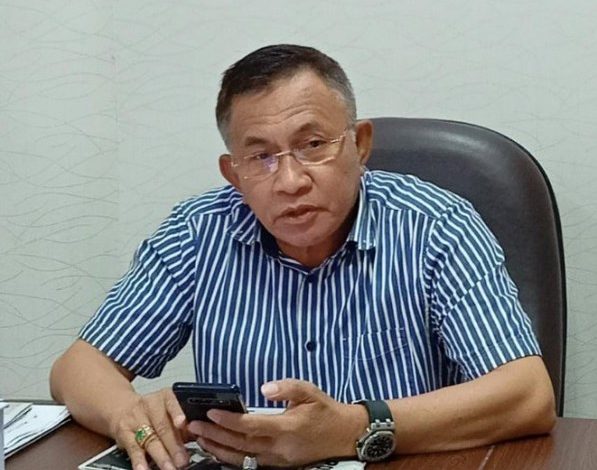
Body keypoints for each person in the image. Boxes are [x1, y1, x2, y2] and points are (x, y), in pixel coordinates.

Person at [50, 44, 556, 470]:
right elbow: (77, 369)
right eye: (261, 157)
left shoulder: (436, 225)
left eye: (312, 145)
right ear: (234, 173)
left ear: (360, 145)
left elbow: (528, 396)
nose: (290, 181)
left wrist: (353, 428)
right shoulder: (198, 232)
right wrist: (130, 415)